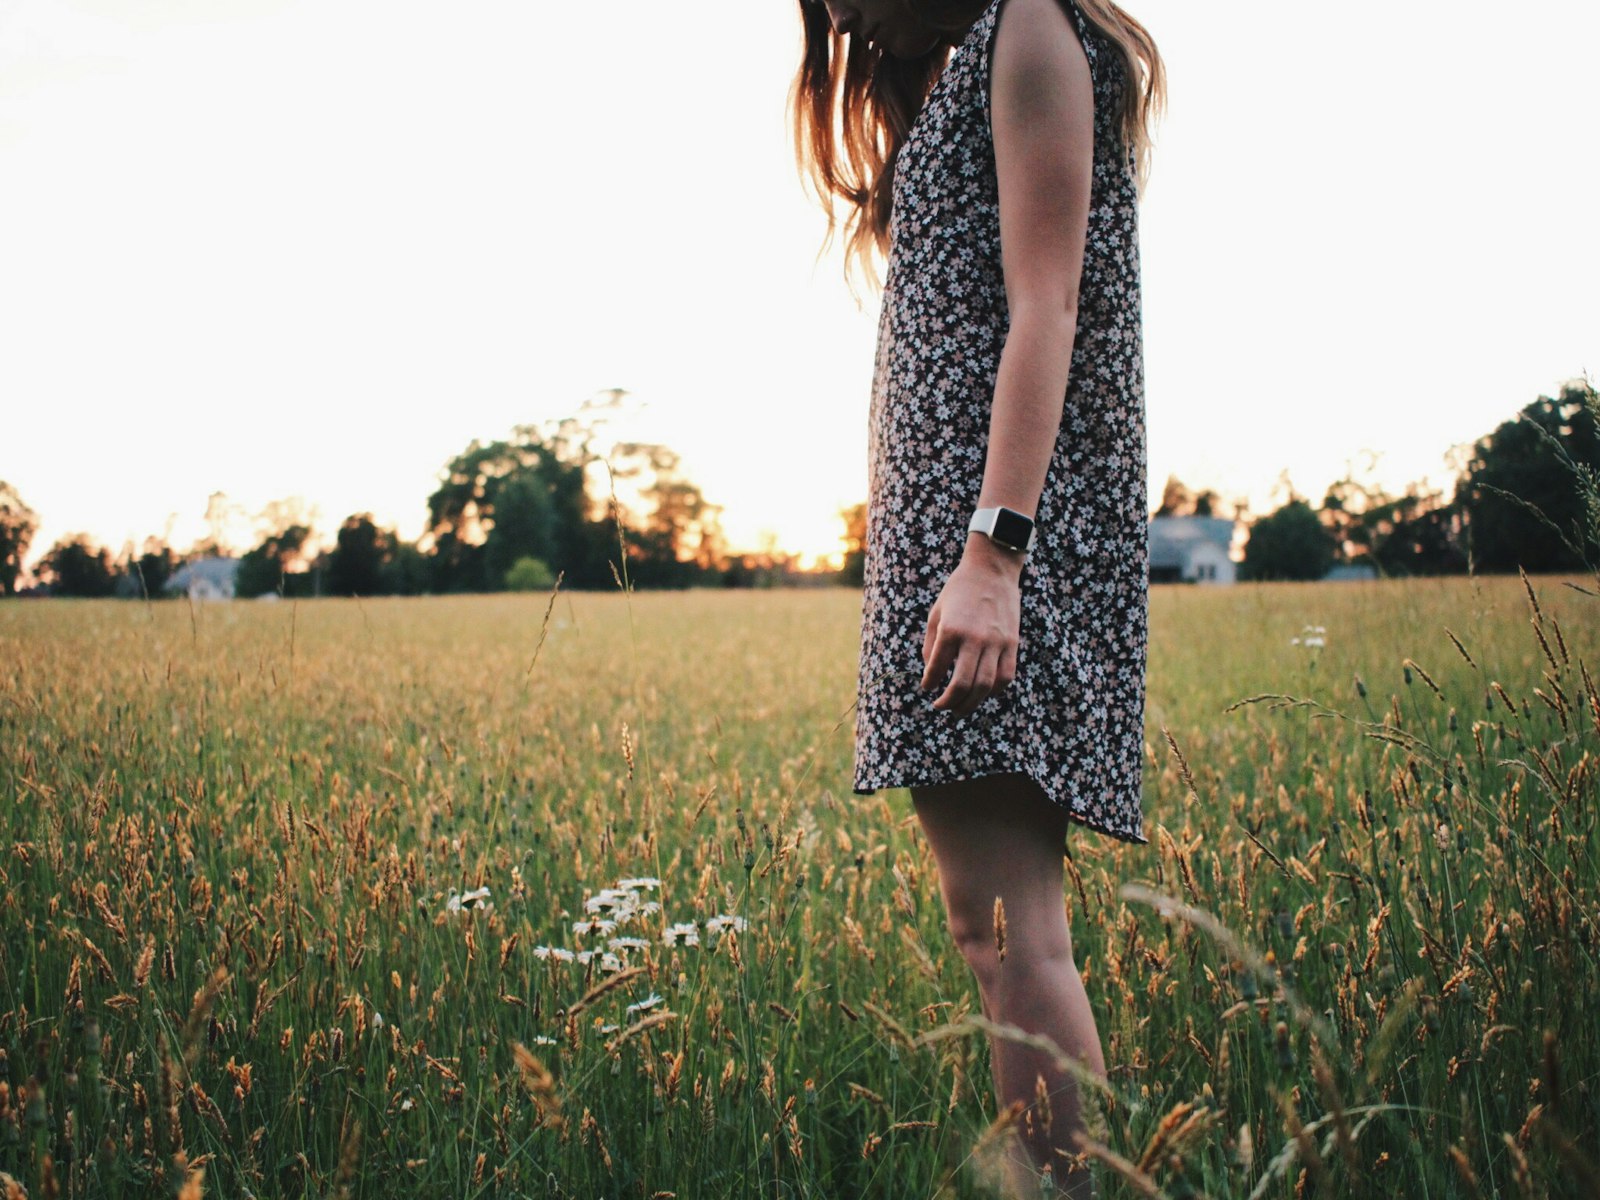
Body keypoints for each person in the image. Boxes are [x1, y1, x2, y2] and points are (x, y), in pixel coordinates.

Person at [791, 0, 1164, 1194]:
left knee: (1008, 936)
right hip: (962, 549)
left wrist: (993, 559)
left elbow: (1047, 307)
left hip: (993, 551)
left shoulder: (1033, 28)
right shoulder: (986, 52)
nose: (839, 10)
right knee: (997, 930)